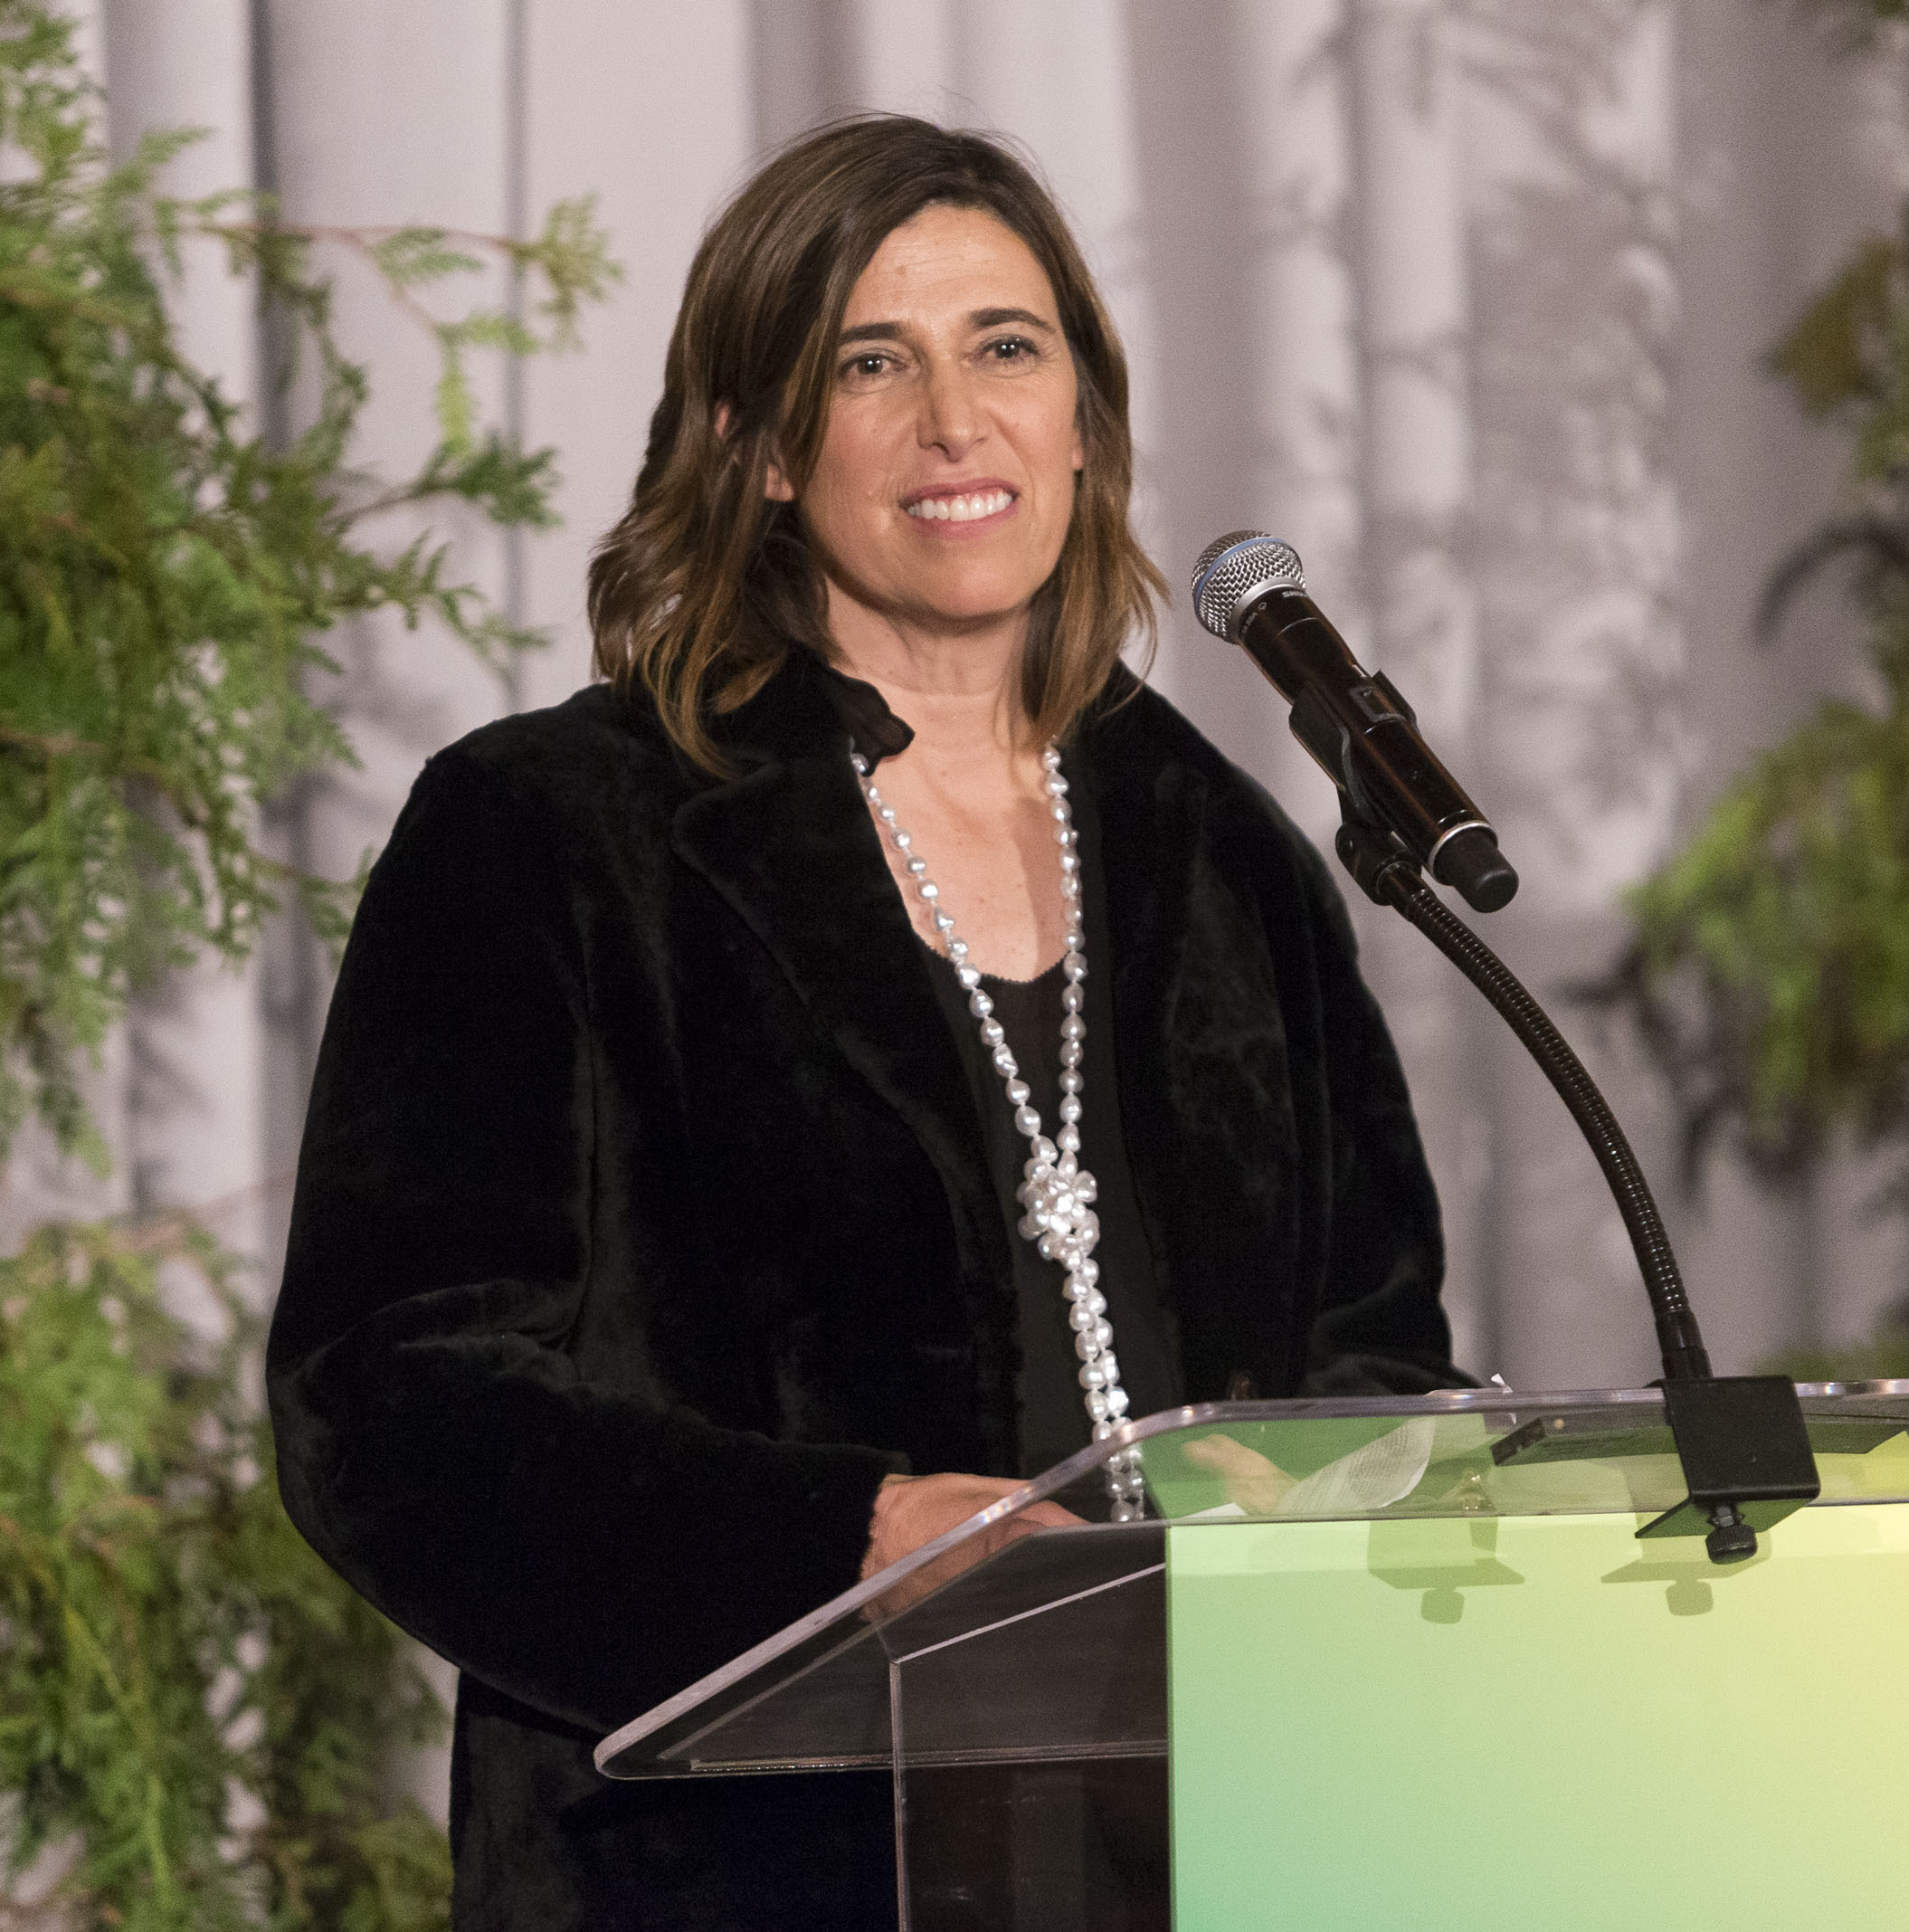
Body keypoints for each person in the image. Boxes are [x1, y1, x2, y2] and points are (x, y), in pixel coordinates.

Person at [267, 114, 1463, 1932]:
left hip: (1227, 1841)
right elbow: (391, 1414)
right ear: (748, 448)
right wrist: (845, 1542)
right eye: (866, 365)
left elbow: (1372, 1349)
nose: (954, 424)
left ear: (1082, 415)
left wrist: (1323, 1486)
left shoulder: (1218, 844)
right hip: (735, 1870)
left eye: (1005, 347)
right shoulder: (551, 835)